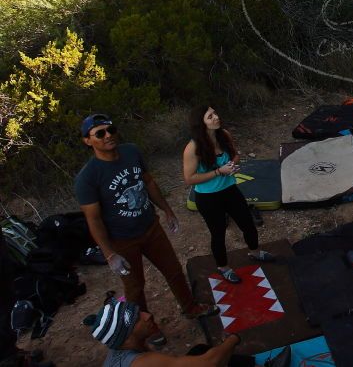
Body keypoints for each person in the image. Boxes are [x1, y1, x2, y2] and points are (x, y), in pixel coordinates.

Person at [74, 114, 219, 347]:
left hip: (150, 227)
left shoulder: (131, 151)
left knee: (173, 270)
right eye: (99, 133)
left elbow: (148, 182)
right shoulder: (88, 178)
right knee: (134, 287)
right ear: (87, 141)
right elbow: (94, 219)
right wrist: (110, 254)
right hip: (122, 240)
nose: (108, 136)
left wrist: (167, 211)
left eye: (111, 130)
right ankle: (144, 329)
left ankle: (190, 307)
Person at [182, 106, 275, 284]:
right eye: (210, 116)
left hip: (230, 190)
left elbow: (235, 155)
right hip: (208, 197)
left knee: (247, 223)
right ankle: (223, 268)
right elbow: (189, 178)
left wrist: (232, 165)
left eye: (215, 113)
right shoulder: (193, 148)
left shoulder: (223, 135)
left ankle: (255, 252)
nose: (216, 117)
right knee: (218, 233)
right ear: (201, 124)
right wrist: (219, 172)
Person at [83, 297, 291, 367]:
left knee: (201, 350)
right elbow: (208, 364)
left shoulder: (119, 350)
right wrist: (232, 340)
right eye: (138, 319)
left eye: (141, 312)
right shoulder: (141, 363)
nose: (147, 315)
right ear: (126, 337)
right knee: (213, 358)